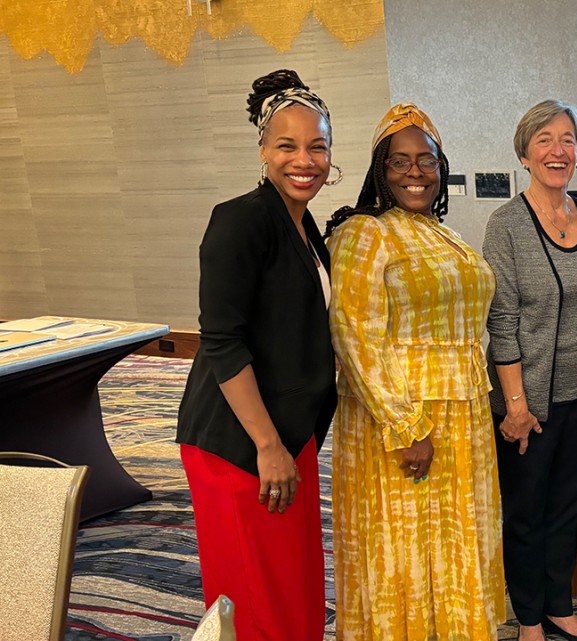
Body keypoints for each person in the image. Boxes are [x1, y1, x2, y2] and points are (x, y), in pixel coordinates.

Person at [324, 103, 506, 641]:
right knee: (408, 549)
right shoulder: (367, 233)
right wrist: (405, 427)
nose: (414, 172)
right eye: (399, 161)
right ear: (380, 171)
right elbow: (355, 338)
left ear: (442, 166)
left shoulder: (437, 232)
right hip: (406, 421)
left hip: (461, 418)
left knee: (453, 543)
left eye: (426, 160)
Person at [176, 69, 339, 641]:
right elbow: (221, 340)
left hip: (288, 434)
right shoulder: (240, 219)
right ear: (264, 150)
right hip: (240, 442)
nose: (305, 160)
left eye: (317, 146)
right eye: (288, 145)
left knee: (293, 580)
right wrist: (268, 446)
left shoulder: (303, 224)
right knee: (252, 593)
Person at [483, 99, 577, 641]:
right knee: (527, 514)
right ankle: (529, 618)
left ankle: (560, 606)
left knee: (567, 506)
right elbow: (502, 321)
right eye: (545, 140)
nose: (558, 150)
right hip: (526, 404)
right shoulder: (506, 224)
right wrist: (515, 406)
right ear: (525, 152)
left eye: (567, 140)